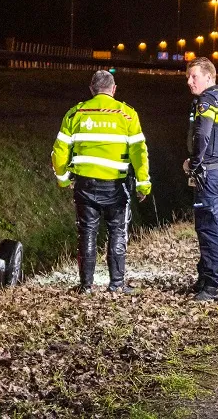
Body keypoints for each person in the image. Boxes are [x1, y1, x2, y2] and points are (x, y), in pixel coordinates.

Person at [52, 70, 151, 294]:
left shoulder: (75, 113)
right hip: (116, 185)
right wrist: (144, 184)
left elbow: (59, 152)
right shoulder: (128, 115)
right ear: (114, 90)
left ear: (91, 89)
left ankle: (85, 286)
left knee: (87, 232)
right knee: (117, 231)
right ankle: (116, 284)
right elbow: (139, 153)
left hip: (85, 184)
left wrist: (63, 179)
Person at [183, 57, 218, 302]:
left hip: (209, 173)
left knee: (209, 227)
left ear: (208, 76)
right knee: (209, 224)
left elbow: (202, 137)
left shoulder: (206, 103)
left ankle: (212, 285)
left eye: (193, 76)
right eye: (188, 76)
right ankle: (205, 278)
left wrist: (193, 165)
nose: (189, 81)